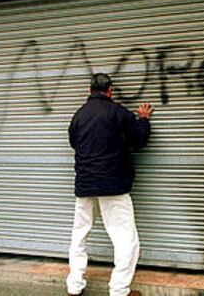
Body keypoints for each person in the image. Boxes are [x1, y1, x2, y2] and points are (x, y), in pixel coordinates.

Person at [66, 73, 153, 296]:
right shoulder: (117, 112)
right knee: (126, 239)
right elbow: (138, 140)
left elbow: (74, 143)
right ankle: (119, 290)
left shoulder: (78, 116)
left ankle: (74, 287)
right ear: (110, 90)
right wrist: (143, 119)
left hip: (85, 186)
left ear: (89, 90)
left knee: (79, 235)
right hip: (113, 186)